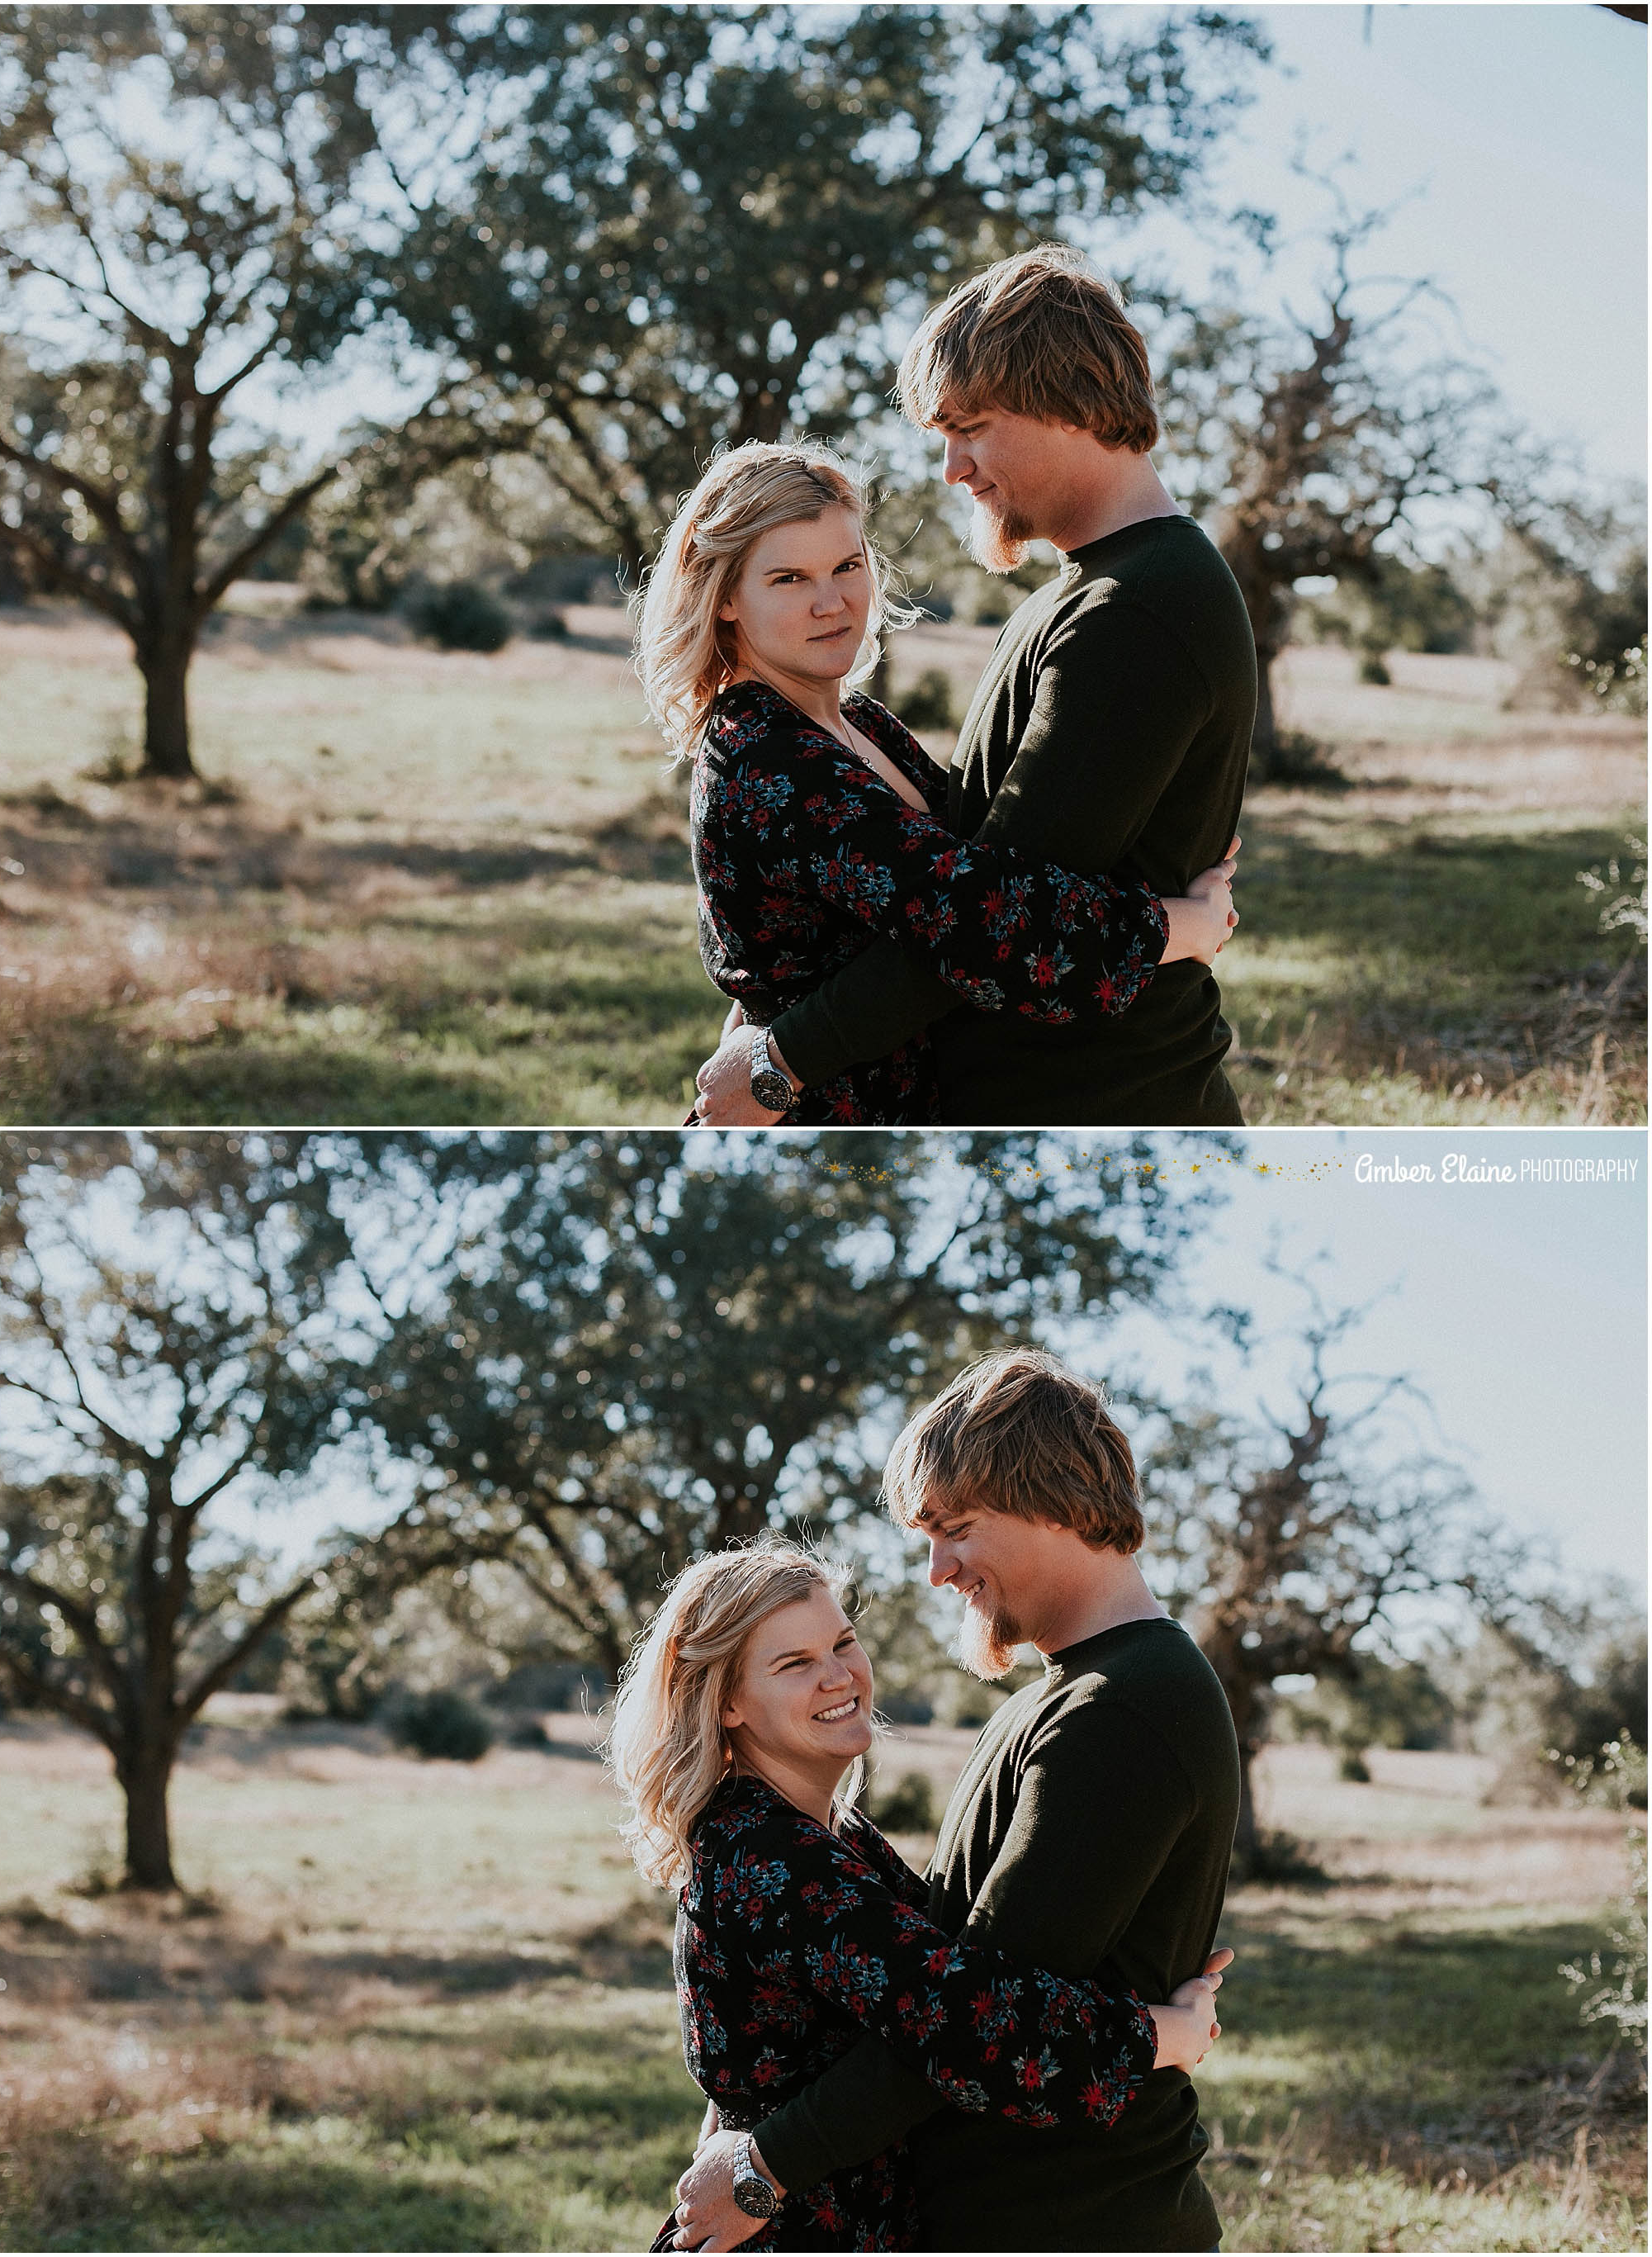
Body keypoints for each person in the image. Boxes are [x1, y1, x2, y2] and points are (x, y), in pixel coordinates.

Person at [669, 1349, 1243, 2254]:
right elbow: (934, 1991)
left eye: (956, 1527)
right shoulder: (1050, 1701)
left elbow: (971, 2017)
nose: (938, 1570)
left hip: (1075, 2220)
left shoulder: (1125, 1706)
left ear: (1051, 1504)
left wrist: (764, 2165)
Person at [692, 244, 1257, 1130]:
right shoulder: (1080, 596)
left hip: (1102, 1109)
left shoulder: (1137, 608)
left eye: (970, 425)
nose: (952, 467)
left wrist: (779, 1057)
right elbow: (955, 886)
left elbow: (991, 921)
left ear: (1066, 404)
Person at [632, 440, 1238, 1126]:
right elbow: (979, 920)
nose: (831, 602)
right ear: (726, 600)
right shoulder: (765, 758)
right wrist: (1182, 924)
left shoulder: (857, 720)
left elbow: (969, 858)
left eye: (847, 566)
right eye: (789, 579)